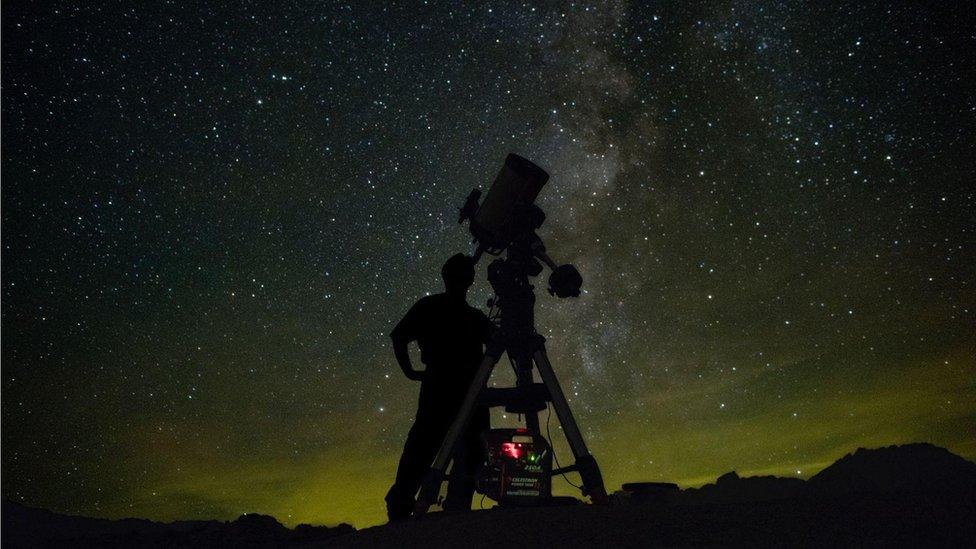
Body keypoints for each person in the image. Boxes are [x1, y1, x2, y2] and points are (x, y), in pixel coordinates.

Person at [385, 253, 493, 521]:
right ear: (469, 281)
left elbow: (399, 337)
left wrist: (411, 372)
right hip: (466, 392)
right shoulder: (475, 317)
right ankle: (454, 509)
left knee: (421, 451)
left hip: (442, 388)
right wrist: (410, 372)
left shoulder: (428, 307)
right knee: (461, 452)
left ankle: (402, 511)